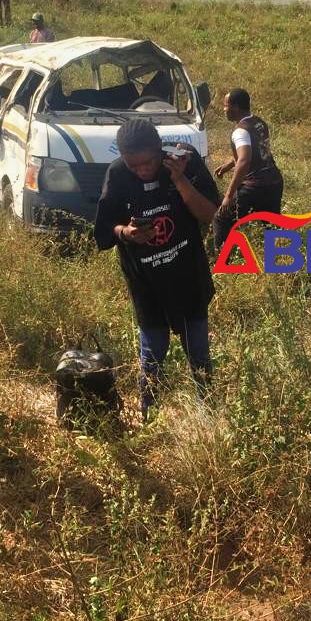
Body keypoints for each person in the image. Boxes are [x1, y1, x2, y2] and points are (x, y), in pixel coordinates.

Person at [94, 120, 220, 421]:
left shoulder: (182, 162)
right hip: (147, 283)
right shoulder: (117, 174)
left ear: (158, 150)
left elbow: (210, 214)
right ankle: (150, 416)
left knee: (199, 353)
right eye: (132, 164)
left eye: (147, 162)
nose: (141, 170)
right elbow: (106, 228)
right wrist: (127, 232)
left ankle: (209, 415)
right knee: (152, 355)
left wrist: (180, 179)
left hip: (187, 277)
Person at [213, 88, 284, 249]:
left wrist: (228, 196)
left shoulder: (240, 131)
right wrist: (229, 165)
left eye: (226, 105)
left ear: (236, 107)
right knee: (271, 226)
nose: (224, 109)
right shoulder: (259, 122)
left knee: (221, 218)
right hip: (274, 182)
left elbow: (244, 160)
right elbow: (254, 152)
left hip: (255, 186)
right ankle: (280, 259)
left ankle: (224, 262)